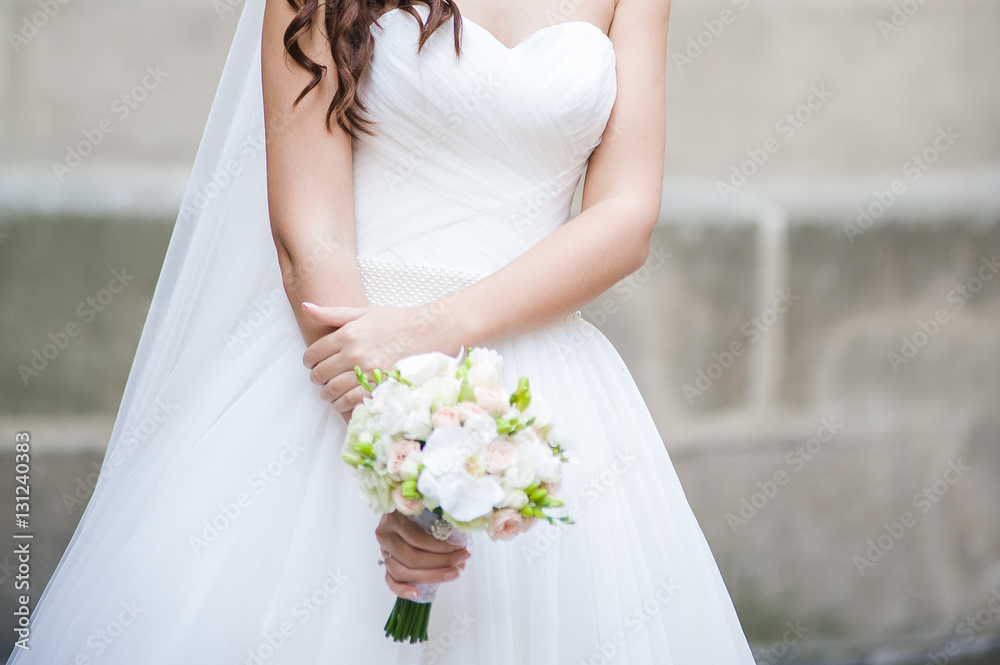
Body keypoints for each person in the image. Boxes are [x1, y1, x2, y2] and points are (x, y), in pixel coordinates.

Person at [8, 0, 756, 662]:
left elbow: (624, 219)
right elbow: (311, 231)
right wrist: (395, 448)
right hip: (344, 363)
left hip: (533, 387)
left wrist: (435, 336)